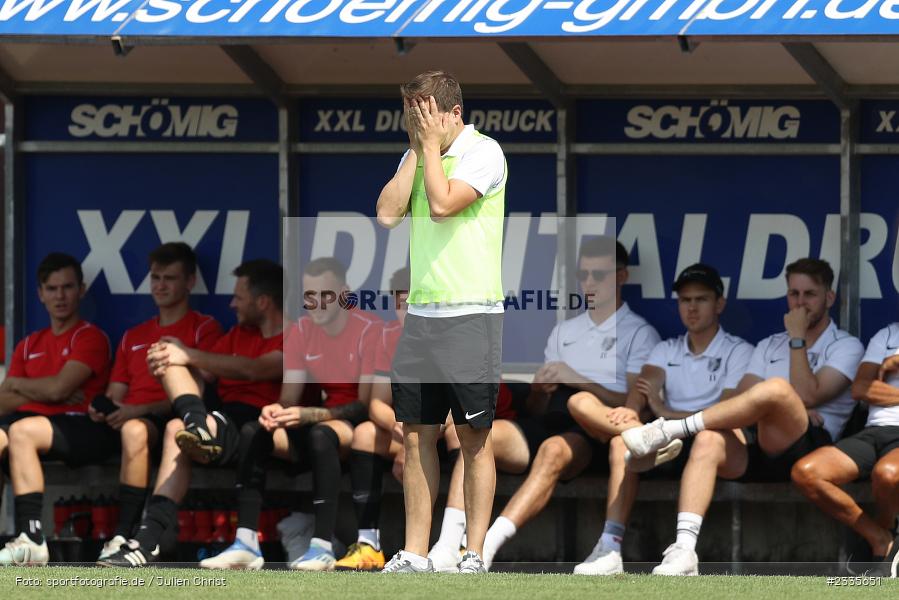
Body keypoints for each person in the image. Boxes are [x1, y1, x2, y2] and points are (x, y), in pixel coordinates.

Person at [622, 259, 863, 576]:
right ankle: (684, 550)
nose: (800, 303)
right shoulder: (768, 345)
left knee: (777, 389)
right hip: (759, 441)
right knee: (709, 440)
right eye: (793, 294)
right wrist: (778, 405)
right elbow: (741, 402)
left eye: (810, 294)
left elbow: (806, 394)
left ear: (829, 298)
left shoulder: (847, 345)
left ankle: (672, 429)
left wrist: (796, 340)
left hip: (811, 447)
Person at [376, 70, 506, 574]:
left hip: (472, 315)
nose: (419, 124)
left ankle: (474, 553)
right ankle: (415, 552)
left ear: (454, 113)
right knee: (415, 434)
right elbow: (387, 215)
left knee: (473, 437)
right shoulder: (416, 153)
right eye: (412, 115)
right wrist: (418, 149)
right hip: (422, 316)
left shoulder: (484, 152)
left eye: (426, 114)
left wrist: (428, 148)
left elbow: (442, 205)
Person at [479, 237, 660, 571]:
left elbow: (634, 405)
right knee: (480, 435)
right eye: (583, 274)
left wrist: (577, 379)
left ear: (621, 277)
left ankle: (488, 544)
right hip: (556, 420)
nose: (589, 282)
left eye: (599, 275)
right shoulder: (564, 331)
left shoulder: (639, 333)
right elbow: (536, 410)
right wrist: (539, 391)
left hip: (602, 430)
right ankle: (461, 543)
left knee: (573, 417)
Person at [98, 259, 285, 567]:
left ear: (263, 301)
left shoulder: (293, 335)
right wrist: (169, 356)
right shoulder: (238, 334)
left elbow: (255, 369)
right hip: (226, 420)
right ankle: (146, 542)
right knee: (176, 424)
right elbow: (205, 371)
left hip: (266, 425)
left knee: (180, 391)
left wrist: (187, 353)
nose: (232, 304)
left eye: (238, 297)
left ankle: (196, 425)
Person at [199, 257, 380, 571]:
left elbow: (363, 406)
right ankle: (246, 543)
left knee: (321, 435)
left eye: (326, 295)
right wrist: (276, 410)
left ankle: (322, 546)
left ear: (344, 294)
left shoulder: (369, 329)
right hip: (320, 421)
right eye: (310, 295)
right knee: (254, 430)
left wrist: (308, 414)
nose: (317, 304)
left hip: (360, 426)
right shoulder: (301, 330)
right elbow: (288, 398)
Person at [579, 264, 753, 576]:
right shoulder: (666, 349)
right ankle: (609, 547)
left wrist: (667, 413)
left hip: (719, 443)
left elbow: (725, 411)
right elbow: (644, 386)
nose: (692, 308)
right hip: (670, 443)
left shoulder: (739, 351)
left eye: (701, 299)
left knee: (707, 437)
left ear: (719, 304)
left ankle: (685, 551)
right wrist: (633, 412)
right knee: (621, 443)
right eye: (685, 300)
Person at [91, 242, 223, 561]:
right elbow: (116, 393)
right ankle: (123, 535)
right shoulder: (133, 335)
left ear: (190, 282)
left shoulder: (204, 328)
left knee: (156, 427)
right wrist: (102, 408)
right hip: (135, 421)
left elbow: (205, 387)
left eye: (170, 278)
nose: (160, 286)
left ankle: (139, 534)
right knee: (132, 429)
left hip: (180, 416)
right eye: (155, 278)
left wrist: (138, 410)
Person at [0, 253, 112, 566]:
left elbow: (58, 389)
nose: (60, 296)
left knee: (21, 431)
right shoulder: (28, 344)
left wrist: (23, 386)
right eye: (52, 288)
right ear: (40, 294)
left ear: (81, 290)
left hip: (81, 427)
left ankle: (32, 539)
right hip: (34, 423)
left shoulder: (90, 336)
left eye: (67, 287)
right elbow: (4, 400)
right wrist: (45, 390)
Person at [792, 319, 899, 577]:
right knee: (806, 473)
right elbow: (860, 388)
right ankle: (880, 538)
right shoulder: (887, 334)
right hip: (874, 431)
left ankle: (886, 541)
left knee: (887, 474)